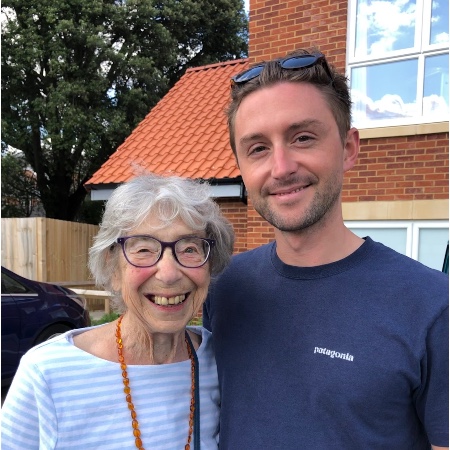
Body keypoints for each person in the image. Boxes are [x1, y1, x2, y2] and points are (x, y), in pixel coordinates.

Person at [203, 48, 449, 449]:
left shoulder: (434, 306)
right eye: (258, 148)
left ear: (348, 148)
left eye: (303, 138)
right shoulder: (223, 287)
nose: (281, 167)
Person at [1, 173, 234, 449]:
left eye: (190, 249)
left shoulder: (222, 360)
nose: (169, 273)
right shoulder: (47, 374)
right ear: (112, 268)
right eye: (144, 249)